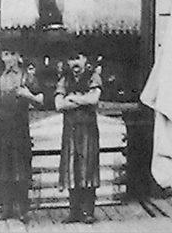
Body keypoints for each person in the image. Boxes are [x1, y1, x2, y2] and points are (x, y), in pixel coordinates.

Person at [0, 47, 43, 222]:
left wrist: (28, 95)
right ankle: (6, 208)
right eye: (5, 54)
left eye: (12, 54)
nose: (8, 58)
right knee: (4, 168)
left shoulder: (28, 77)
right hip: (2, 131)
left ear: (19, 57)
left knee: (22, 170)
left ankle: (23, 209)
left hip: (20, 130)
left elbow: (41, 100)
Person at [55, 44, 102, 225]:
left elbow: (94, 99)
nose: (75, 62)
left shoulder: (93, 76)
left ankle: (88, 211)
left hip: (88, 130)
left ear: (85, 60)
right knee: (72, 167)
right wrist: (82, 100)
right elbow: (58, 104)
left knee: (88, 167)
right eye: (72, 59)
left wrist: (73, 98)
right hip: (71, 130)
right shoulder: (64, 79)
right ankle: (74, 211)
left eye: (79, 58)